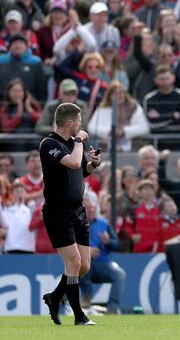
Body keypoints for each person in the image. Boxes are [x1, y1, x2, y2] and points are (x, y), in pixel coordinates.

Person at [39, 102, 101, 325]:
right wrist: (78, 142)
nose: (81, 127)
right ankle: (79, 316)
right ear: (69, 123)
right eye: (79, 122)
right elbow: (74, 163)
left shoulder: (73, 144)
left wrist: (93, 164)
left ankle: (54, 298)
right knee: (73, 262)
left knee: (84, 265)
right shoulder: (49, 144)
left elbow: (82, 170)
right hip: (58, 211)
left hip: (78, 209)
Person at [79, 196, 125, 314]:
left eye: (93, 208)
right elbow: (68, 246)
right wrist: (87, 251)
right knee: (83, 264)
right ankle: (87, 296)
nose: (91, 210)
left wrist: (108, 242)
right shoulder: (75, 225)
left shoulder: (104, 224)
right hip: (83, 264)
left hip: (103, 263)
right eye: (88, 208)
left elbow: (118, 245)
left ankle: (112, 308)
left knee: (119, 275)